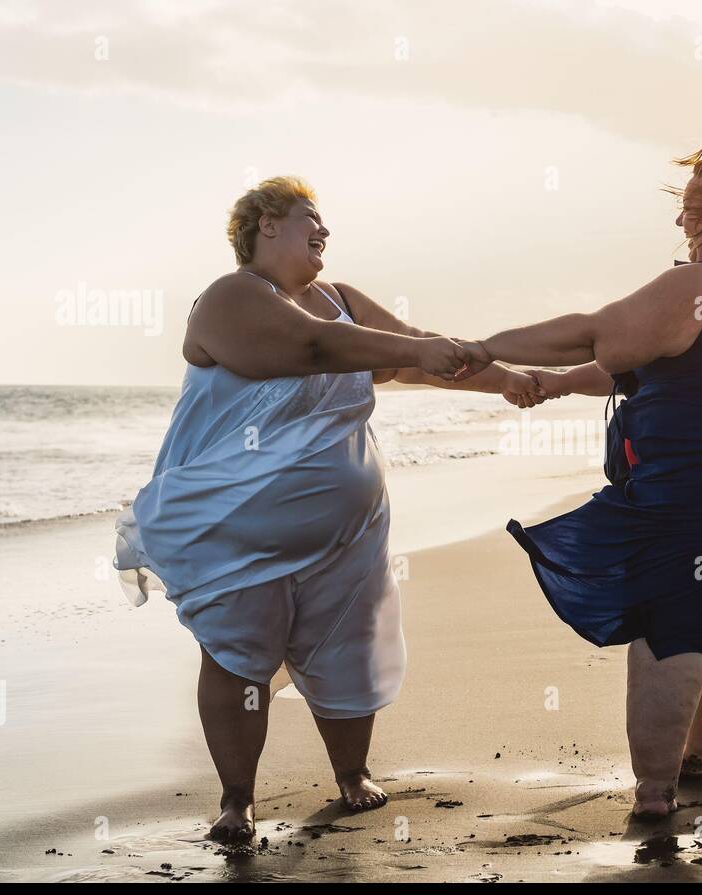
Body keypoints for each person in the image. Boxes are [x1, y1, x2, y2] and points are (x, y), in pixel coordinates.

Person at [115, 176, 534, 841]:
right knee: (237, 655)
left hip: (349, 532)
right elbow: (310, 348)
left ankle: (352, 773)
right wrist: (413, 351)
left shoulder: (340, 300)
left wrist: (502, 378)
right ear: (267, 224)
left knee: (349, 646)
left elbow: (417, 352)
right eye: (312, 217)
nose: (325, 231)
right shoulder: (232, 297)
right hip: (236, 527)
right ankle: (236, 799)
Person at [461, 141, 702, 818]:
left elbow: (596, 334)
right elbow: (622, 365)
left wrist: (484, 348)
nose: (680, 224)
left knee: (672, 618)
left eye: (691, 209)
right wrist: (549, 386)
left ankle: (655, 799)